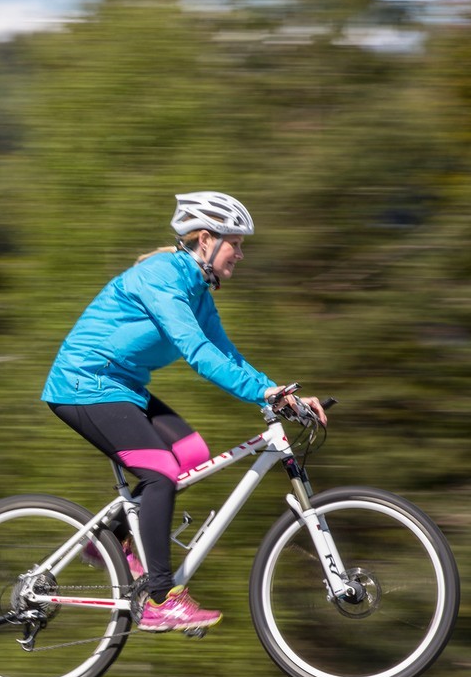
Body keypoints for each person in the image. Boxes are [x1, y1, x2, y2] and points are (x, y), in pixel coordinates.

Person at [41, 191, 327, 632]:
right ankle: (160, 600)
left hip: (122, 386)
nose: (241, 254)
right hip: (84, 384)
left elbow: (225, 354)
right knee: (159, 470)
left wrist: (277, 392)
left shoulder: (197, 293)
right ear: (207, 239)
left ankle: (110, 540)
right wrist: (263, 394)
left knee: (191, 454)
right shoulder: (162, 278)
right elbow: (197, 353)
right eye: (237, 243)